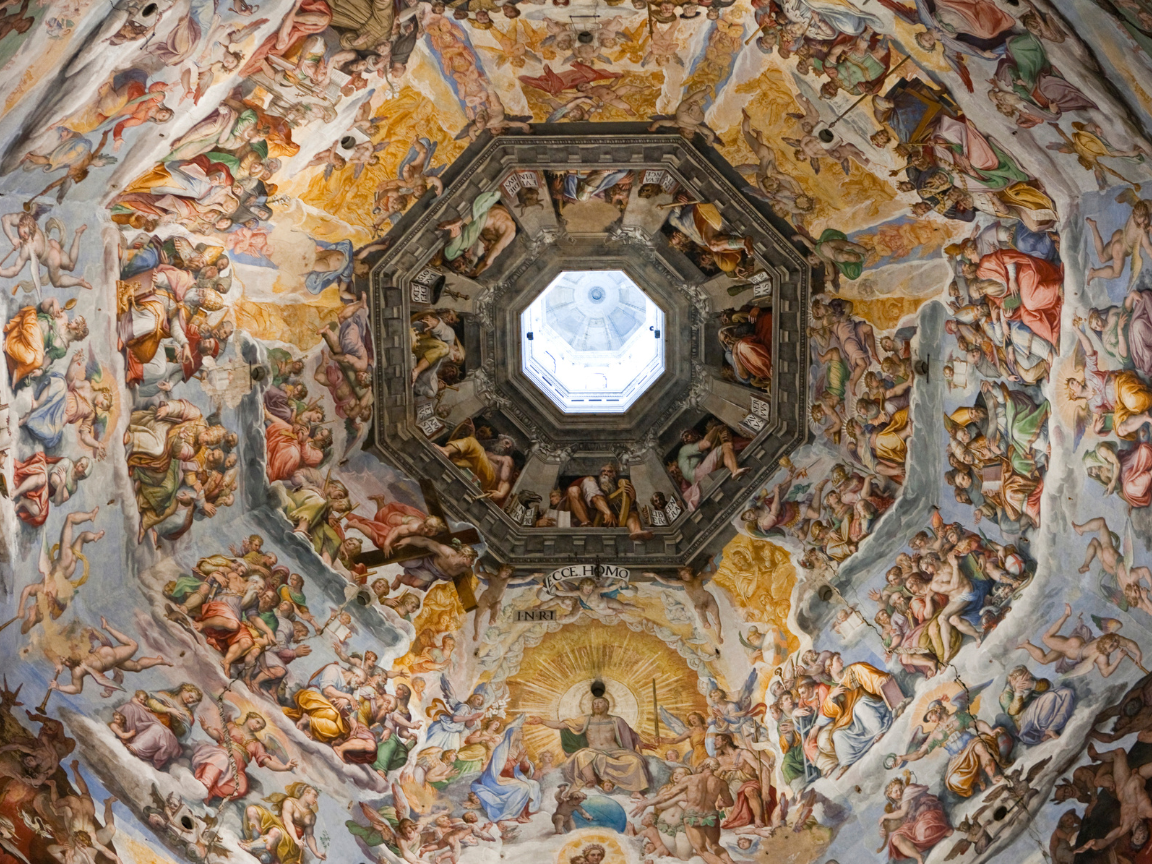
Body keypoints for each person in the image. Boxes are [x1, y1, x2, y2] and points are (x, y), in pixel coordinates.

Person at [528, 695, 654, 792]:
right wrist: (542, 721)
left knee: (635, 761)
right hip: (594, 751)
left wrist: (639, 742)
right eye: (594, 703)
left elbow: (630, 734)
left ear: (607, 705)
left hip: (616, 752)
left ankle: (636, 791)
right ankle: (590, 779)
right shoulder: (586, 719)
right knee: (582, 755)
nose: (597, 705)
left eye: (600, 703)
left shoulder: (616, 720)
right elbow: (562, 725)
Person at [631, 759, 738, 864]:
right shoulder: (721, 783)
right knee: (715, 844)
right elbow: (729, 802)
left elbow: (667, 795)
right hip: (711, 816)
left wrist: (647, 803)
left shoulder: (690, 779)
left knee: (702, 850)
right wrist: (720, 803)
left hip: (693, 817)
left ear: (704, 765)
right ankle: (729, 862)